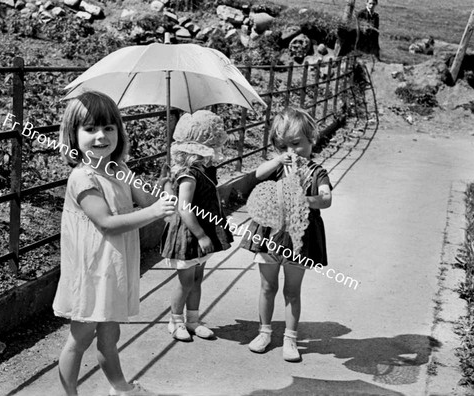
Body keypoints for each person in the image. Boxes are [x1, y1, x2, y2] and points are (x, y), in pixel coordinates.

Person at [52, 91, 176, 396]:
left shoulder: (119, 170)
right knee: (80, 337)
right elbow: (106, 222)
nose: (101, 136)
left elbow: (147, 199)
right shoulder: (83, 178)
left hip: (113, 266)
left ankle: (121, 388)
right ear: (72, 135)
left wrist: (166, 184)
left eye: (109, 128)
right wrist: (153, 212)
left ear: (119, 132)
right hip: (92, 269)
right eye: (90, 129)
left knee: (110, 332)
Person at [240, 107, 332, 361]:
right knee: (267, 286)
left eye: (296, 144)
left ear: (312, 139)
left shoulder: (316, 172)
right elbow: (256, 175)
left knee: (292, 291)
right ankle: (264, 332)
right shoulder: (278, 166)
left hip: (299, 238)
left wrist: (305, 198)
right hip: (269, 234)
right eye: (282, 146)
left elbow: (326, 199)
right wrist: (278, 161)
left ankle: (290, 339)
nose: (290, 152)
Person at [161, 110, 233, 342]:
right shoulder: (189, 175)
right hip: (189, 234)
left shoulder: (203, 171)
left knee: (197, 278)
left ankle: (193, 319)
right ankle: (175, 320)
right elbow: (184, 208)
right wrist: (201, 235)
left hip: (199, 231)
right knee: (185, 280)